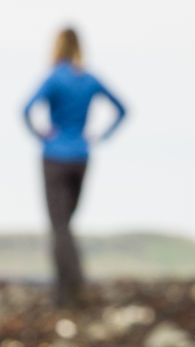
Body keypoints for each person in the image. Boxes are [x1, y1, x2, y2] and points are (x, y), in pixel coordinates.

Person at [23, 28, 126, 309]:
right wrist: (101, 136)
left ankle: (68, 291)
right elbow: (122, 109)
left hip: (54, 156)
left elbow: (26, 109)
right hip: (81, 156)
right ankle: (71, 287)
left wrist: (41, 134)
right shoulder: (89, 79)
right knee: (65, 226)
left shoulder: (54, 77)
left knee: (60, 228)